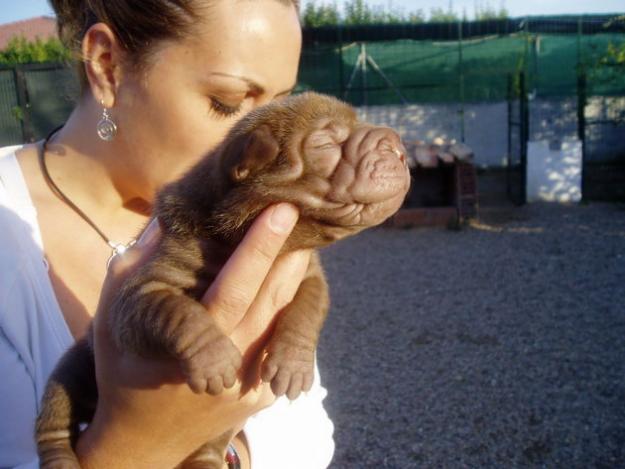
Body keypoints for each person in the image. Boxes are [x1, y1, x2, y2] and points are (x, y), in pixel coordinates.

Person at [0, 0, 335, 467]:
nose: (268, 142)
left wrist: (226, 452)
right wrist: (141, 438)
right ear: (107, 65)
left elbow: (310, 437)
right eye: (229, 103)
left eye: (283, 105)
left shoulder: (240, 225)